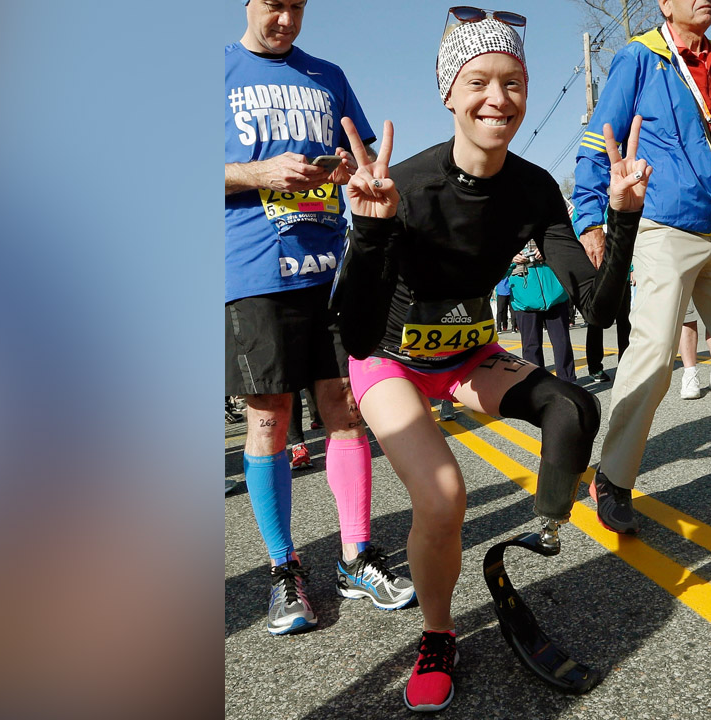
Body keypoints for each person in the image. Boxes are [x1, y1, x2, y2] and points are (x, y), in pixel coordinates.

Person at [332, 10, 650, 711]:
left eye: (514, 81)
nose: (497, 98)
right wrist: (370, 232)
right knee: (443, 495)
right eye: (478, 81)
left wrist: (623, 215)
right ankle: (438, 633)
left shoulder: (535, 189)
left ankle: (546, 535)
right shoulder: (407, 186)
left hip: (467, 351)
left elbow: (594, 309)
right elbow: (354, 335)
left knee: (574, 406)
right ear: (449, 92)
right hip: (389, 359)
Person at [224, 0, 414, 635]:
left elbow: (360, 157)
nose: (286, 19)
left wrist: (348, 171)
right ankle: (284, 571)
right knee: (269, 416)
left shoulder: (327, 74)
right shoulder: (213, 71)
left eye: (298, 7)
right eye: (275, 5)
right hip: (253, 270)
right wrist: (256, 173)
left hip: (332, 266)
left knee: (345, 405)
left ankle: (356, 555)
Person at [573, 0, 711, 524]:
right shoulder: (639, 57)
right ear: (664, 4)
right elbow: (601, 137)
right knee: (655, 349)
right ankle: (614, 479)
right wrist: (590, 216)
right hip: (666, 224)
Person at [510, 242, 577, 381]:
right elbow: (496, 267)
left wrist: (549, 250)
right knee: (531, 347)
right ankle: (537, 385)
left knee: (562, 342)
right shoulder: (506, 233)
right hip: (524, 299)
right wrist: (511, 258)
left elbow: (568, 251)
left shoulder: (550, 227)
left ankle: (568, 382)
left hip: (555, 295)